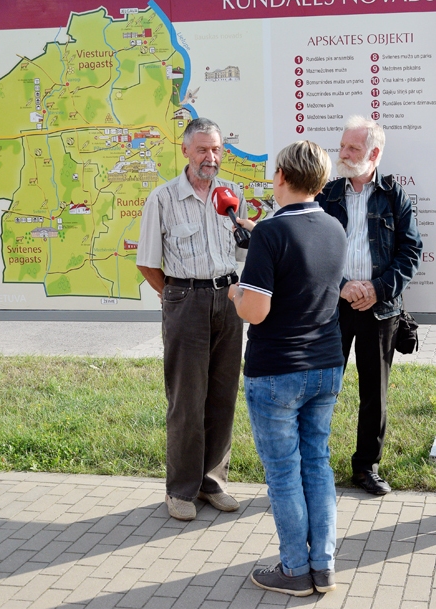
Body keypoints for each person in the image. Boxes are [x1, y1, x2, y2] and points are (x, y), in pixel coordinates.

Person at [228, 140, 347, 597]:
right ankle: (323, 566)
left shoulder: (270, 235)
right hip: (325, 365)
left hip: (277, 369)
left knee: (282, 471)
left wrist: (236, 291)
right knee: (317, 463)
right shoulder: (334, 227)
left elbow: (255, 311)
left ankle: (294, 569)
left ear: (280, 176)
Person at [136, 118, 246, 521]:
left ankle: (212, 482)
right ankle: (180, 489)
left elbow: (244, 252)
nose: (211, 157)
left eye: (216, 149)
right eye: (202, 150)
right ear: (185, 151)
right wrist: (176, 299)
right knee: (186, 399)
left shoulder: (232, 196)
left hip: (229, 300)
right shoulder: (163, 199)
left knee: (222, 395)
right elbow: (148, 263)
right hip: (186, 300)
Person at [316, 115, 422, 496]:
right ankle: (316, 466)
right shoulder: (325, 194)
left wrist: (377, 289)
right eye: (343, 146)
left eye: (353, 148)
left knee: (374, 392)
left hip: (381, 310)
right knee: (323, 388)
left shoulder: (395, 197)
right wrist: (343, 287)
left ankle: (366, 467)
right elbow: (313, 251)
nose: (343, 154)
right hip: (333, 306)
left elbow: (411, 253)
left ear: (374, 153)